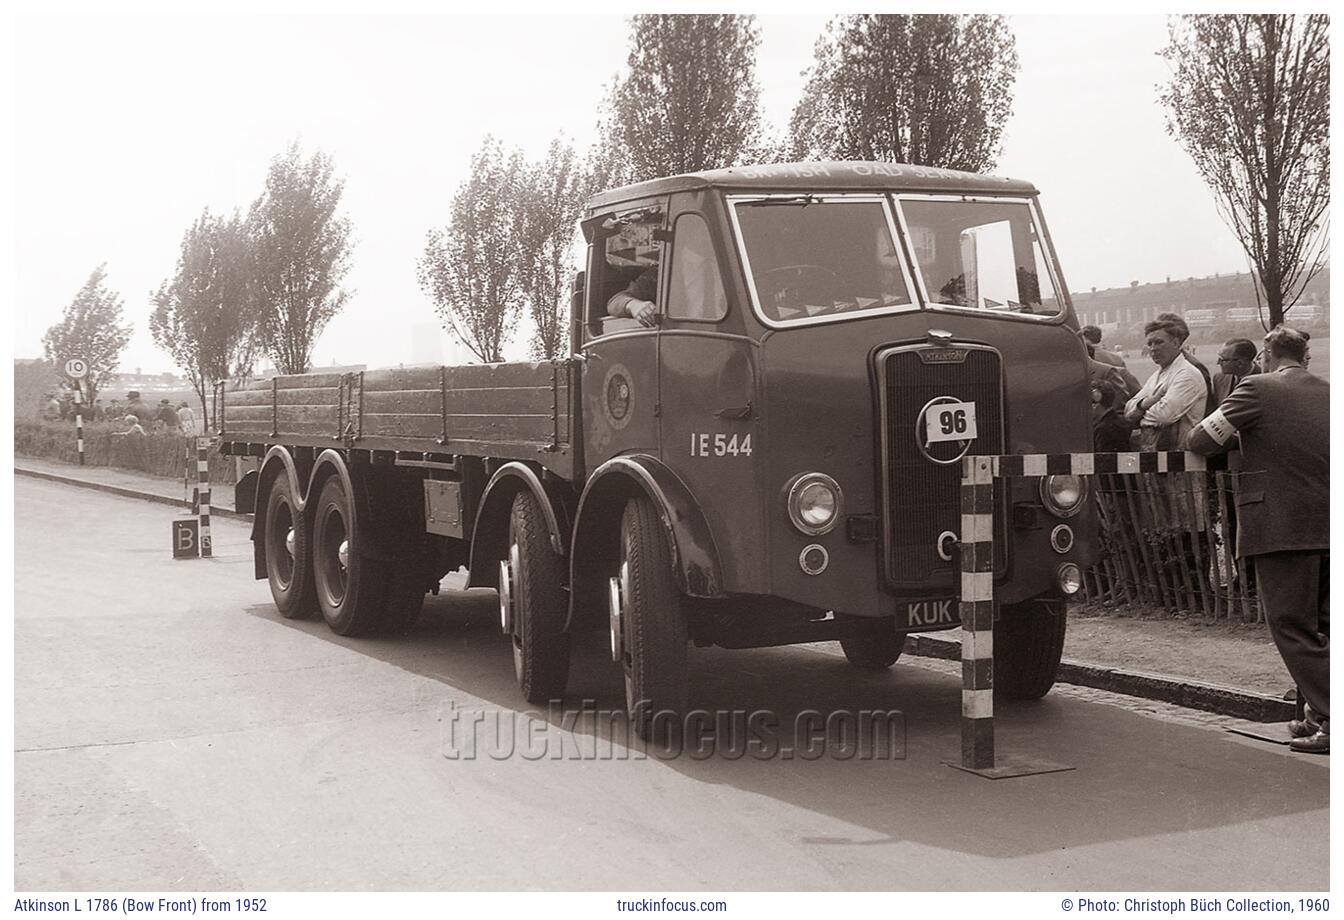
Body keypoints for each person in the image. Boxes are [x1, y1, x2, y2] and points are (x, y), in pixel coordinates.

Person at [1188, 326, 1329, 754]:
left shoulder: (1255, 388)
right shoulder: (1328, 390)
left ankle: (1331, 718)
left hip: (1280, 526)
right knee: (1324, 623)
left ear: (1266, 354)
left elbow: (1200, 439)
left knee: (1291, 625)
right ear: (1305, 356)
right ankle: (1312, 717)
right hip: (1328, 521)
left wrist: (1242, 435)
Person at [1124, 319, 1208, 450]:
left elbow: (1162, 416)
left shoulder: (1187, 374)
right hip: (1156, 451)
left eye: (1159, 342)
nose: (1153, 348)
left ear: (1175, 343)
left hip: (1181, 456)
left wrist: (1139, 414)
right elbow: (1127, 409)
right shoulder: (1157, 375)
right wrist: (1146, 403)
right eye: (1150, 343)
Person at [1212, 338, 1258, 404]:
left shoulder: (1264, 380)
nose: (1218, 362)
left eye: (1223, 359)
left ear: (1240, 363)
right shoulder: (1219, 379)